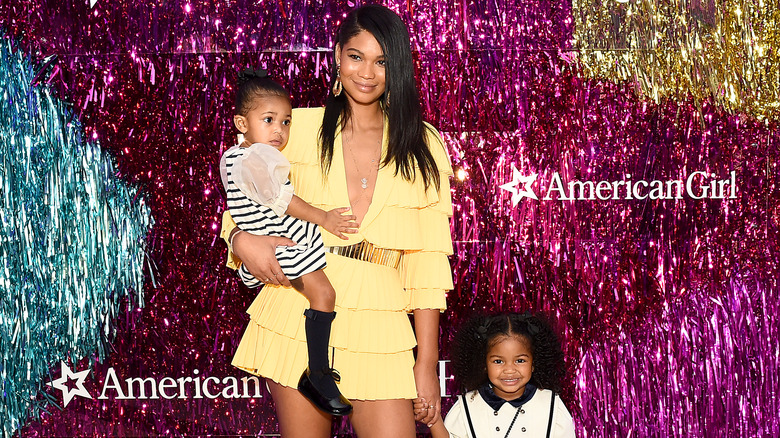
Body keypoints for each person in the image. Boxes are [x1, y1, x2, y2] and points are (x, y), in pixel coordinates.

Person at [221, 5, 453, 437]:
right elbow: (242, 194)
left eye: (382, 60)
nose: (367, 72)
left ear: (398, 66)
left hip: (382, 316)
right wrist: (239, 238)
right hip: (300, 299)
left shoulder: (425, 144)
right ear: (337, 57)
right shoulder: (294, 128)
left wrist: (425, 362)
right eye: (356, 56)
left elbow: (427, 264)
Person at [219, 68, 359, 416]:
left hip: (279, 240)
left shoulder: (236, 157)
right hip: (284, 246)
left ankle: (318, 371)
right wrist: (324, 217)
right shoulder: (256, 159)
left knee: (322, 295)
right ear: (241, 123)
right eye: (268, 120)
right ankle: (317, 374)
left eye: (285, 122)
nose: (279, 130)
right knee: (324, 294)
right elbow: (283, 202)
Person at [415, 313, 575, 437]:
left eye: (520, 360)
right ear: (483, 364)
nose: (510, 370)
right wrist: (433, 420)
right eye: (498, 361)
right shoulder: (468, 406)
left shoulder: (551, 404)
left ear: (534, 363)